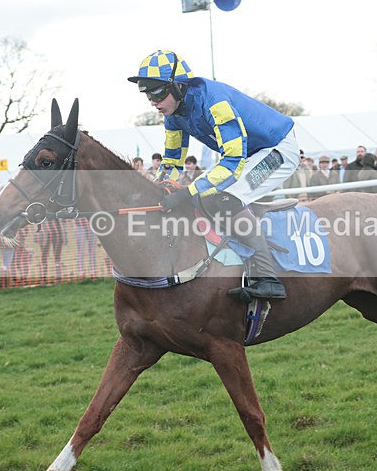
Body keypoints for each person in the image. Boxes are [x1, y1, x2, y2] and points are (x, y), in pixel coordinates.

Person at [128, 49, 300, 300]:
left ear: (177, 86)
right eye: (147, 94)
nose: (152, 101)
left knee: (225, 198)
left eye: (157, 92)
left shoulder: (215, 102)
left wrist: (186, 191)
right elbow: (172, 163)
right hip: (249, 155)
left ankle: (267, 278)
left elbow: (232, 162)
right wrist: (159, 188)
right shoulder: (173, 116)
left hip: (277, 149)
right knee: (203, 196)